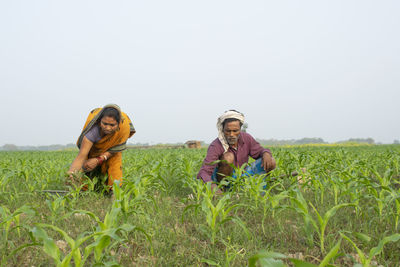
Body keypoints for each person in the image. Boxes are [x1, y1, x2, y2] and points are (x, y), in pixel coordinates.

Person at [197, 110, 276, 192]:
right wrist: (213, 187)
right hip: (222, 178)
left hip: (241, 175)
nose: (231, 135)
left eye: (235, 131)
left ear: (240, 129)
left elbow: (260, 151)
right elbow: (204, 172)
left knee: (271, 161)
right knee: (228, 157)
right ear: (223, 130)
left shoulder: (246, 138)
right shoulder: (216, 145)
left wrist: (266, 153)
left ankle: (260, 187)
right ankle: (224, 189)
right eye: (228, 131)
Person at [68, 104, 135, 191]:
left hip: (111, 153)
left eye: (112, 125)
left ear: (118, 124)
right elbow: (82, 154)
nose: (107, 128)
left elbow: (116, 149)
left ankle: (115, 193)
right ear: (99, 121)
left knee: (115, 165)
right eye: (105, 123)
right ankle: (82, 191)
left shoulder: (123, 130)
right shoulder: (92, 132)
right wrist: (72, 172)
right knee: (84, 167)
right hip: (93, 152)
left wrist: (99, 159)